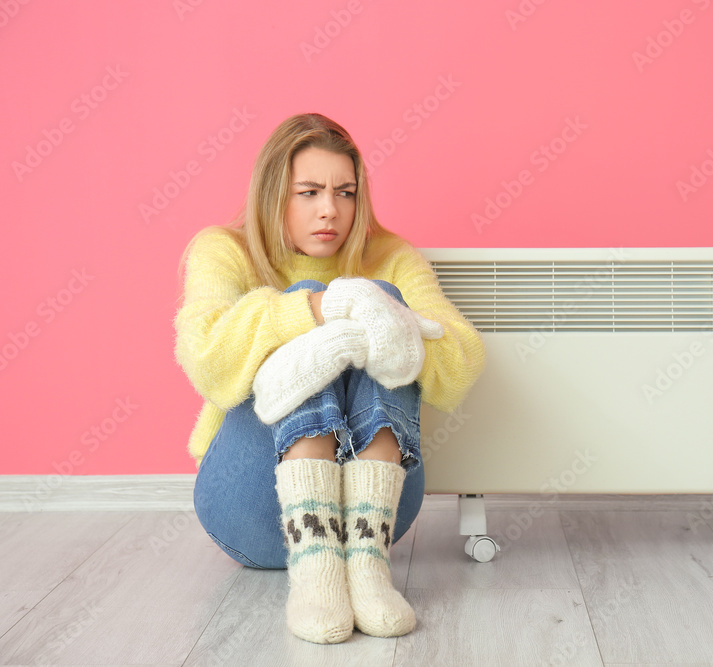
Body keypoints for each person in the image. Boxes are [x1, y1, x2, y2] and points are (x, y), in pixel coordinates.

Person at [173, 113, 485, 644]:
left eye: (345, 192)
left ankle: (366, 570)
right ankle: (315, 571)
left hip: (377, 512)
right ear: (274, 194)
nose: (330, 210)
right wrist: (318, 308)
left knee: (382, 301)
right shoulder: (225, 248)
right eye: (309, 191)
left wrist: (394, 333)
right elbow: (205, 357)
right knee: (314, 297)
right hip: (250, 503)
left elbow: (459, 367)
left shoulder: (389, 257)